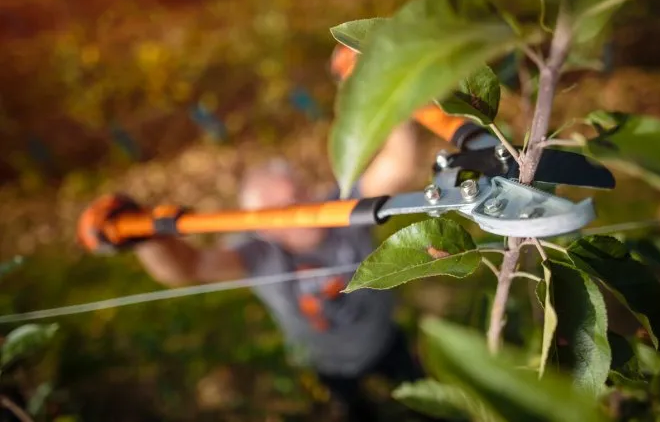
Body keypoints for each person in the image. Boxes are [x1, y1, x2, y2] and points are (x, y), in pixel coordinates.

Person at [77, 122, 441, 422]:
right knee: (358, 413)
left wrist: (393, 93)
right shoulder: (257, 254)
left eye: (301, 192)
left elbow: (398, 162)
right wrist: (146, 237)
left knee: (430, 403)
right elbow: (188, 268)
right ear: (262, 226)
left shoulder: (342, 208)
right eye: (283, 207)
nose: (303, 206)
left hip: (383, 338)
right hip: (328, 362)